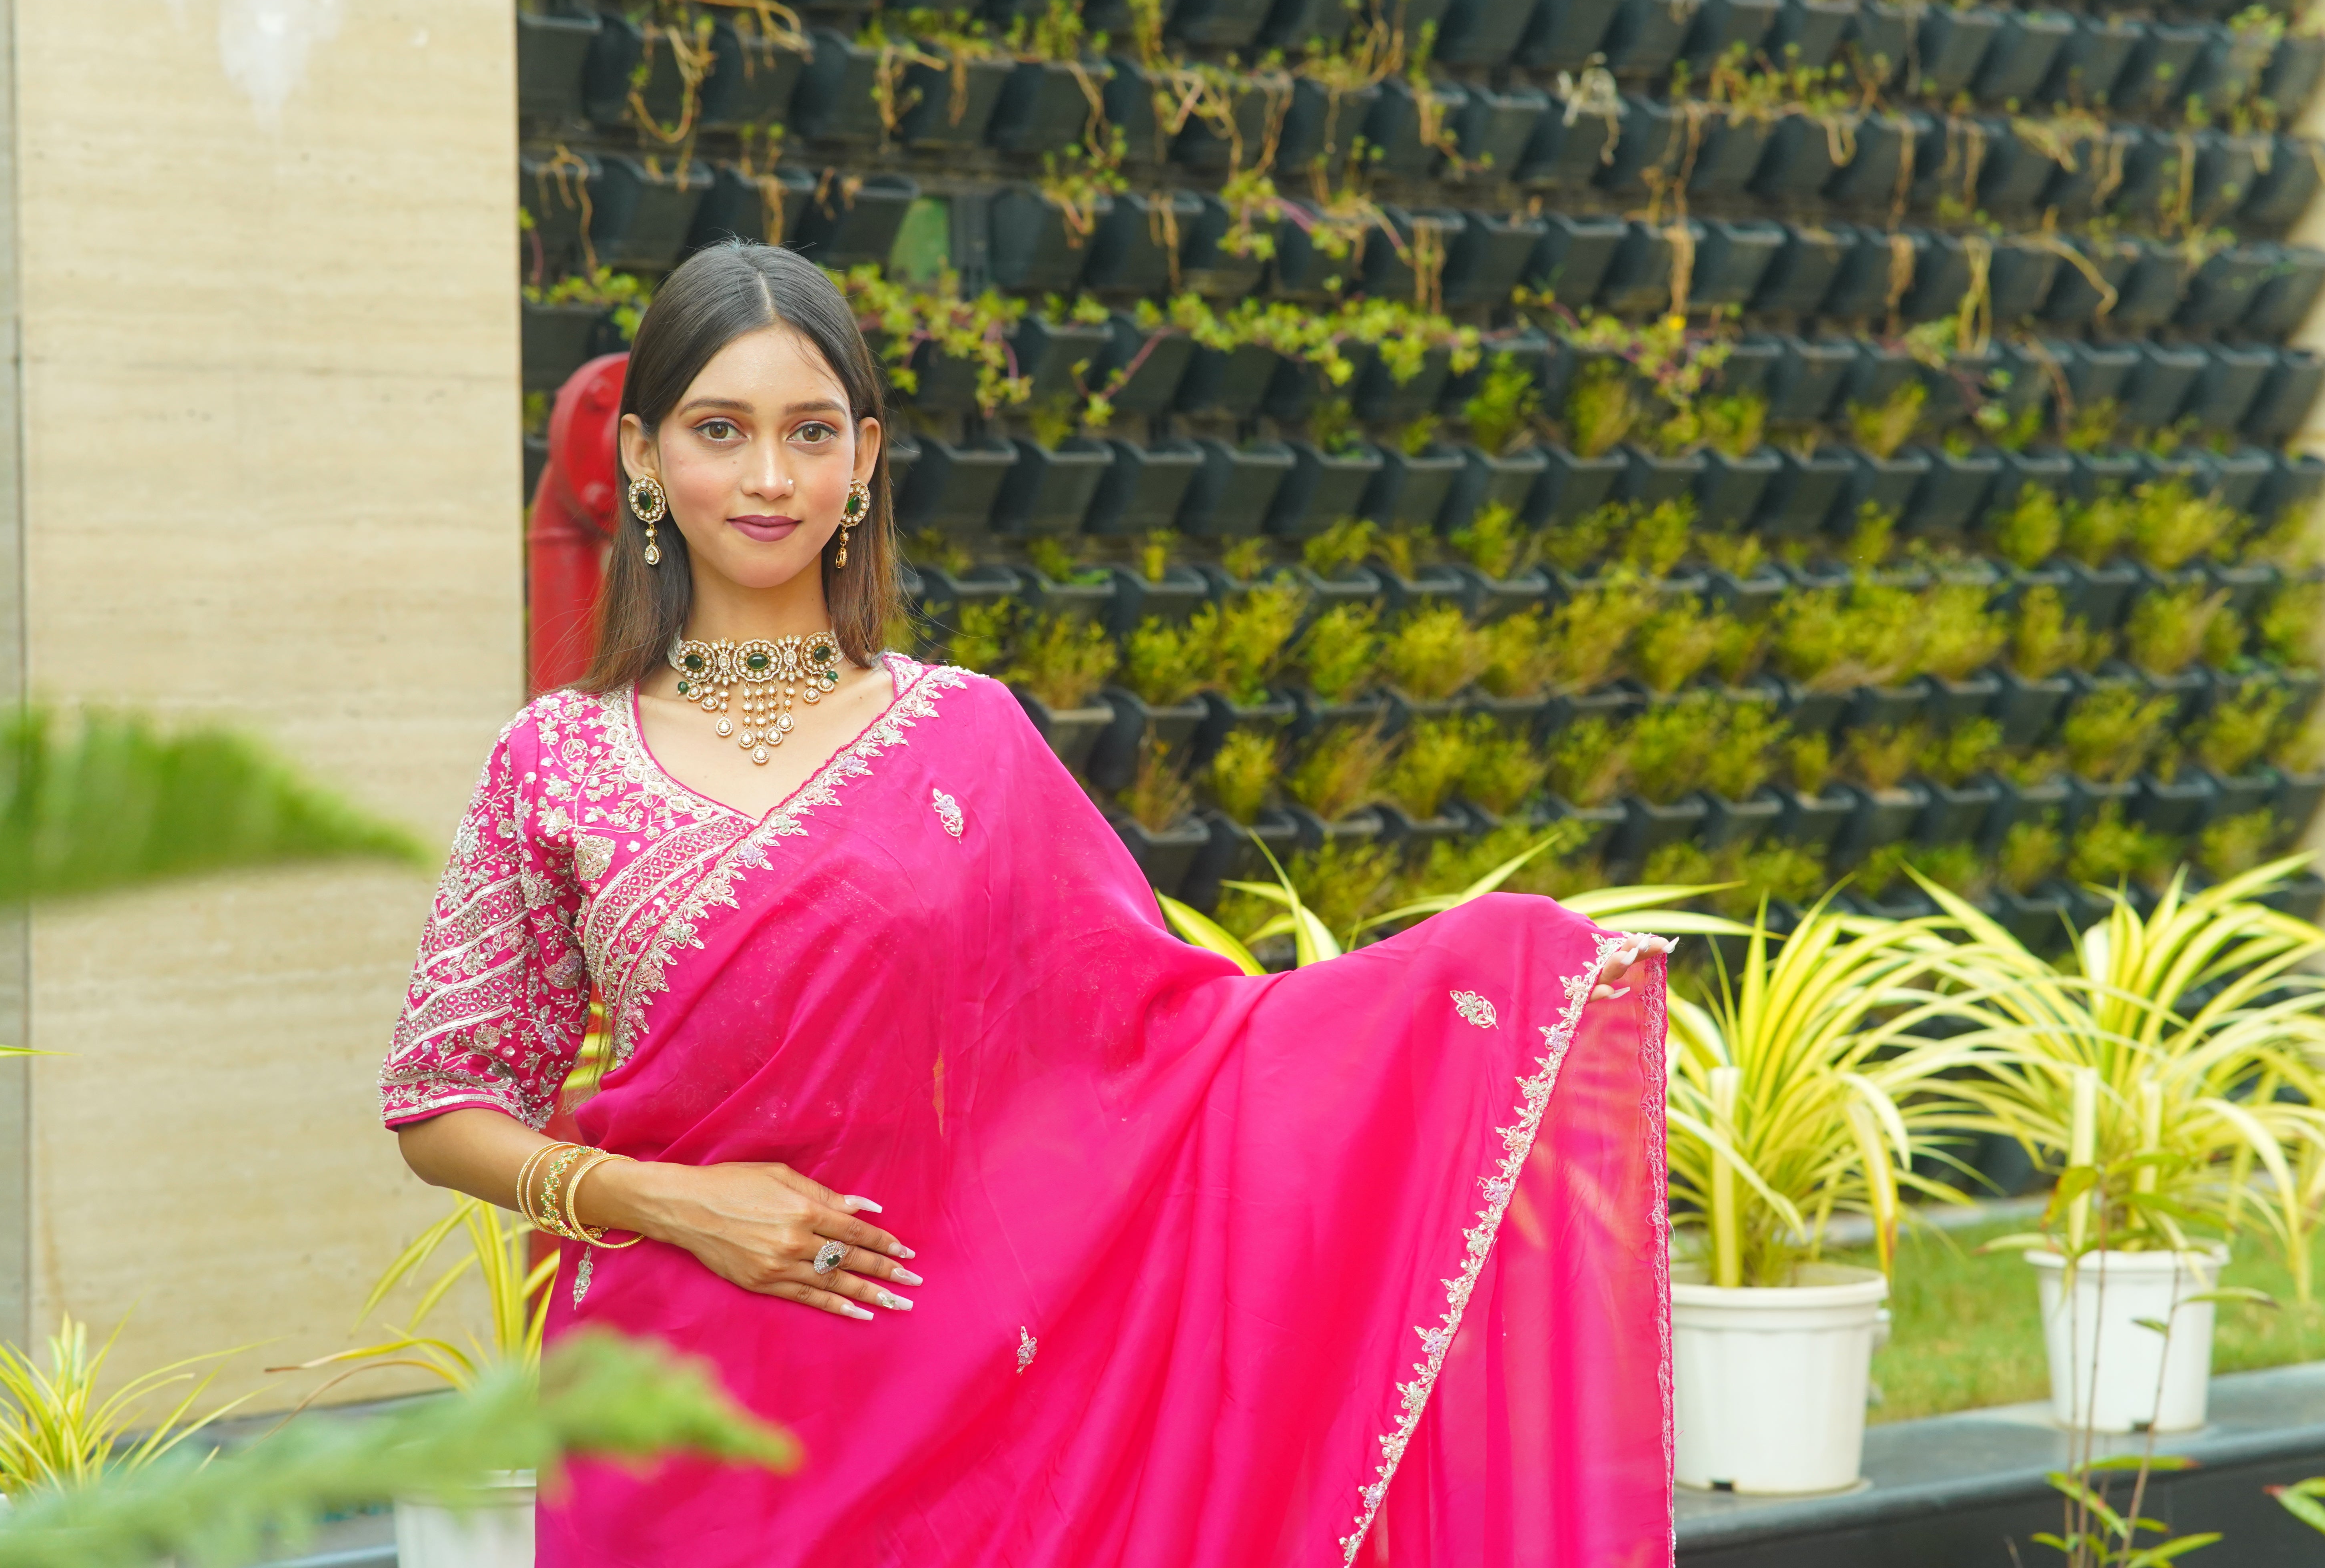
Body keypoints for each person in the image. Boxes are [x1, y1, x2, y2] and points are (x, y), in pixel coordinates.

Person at [381, 242, 1675, 1567]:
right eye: (723, 431)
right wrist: (675, 1204)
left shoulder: (970, 738)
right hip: (665, 1402)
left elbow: (1167, 1045)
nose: (770, 479)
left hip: (938, 1397)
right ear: (647, 458)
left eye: (810, 433)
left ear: (865, 457)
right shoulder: (555, 760)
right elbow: (443, 1102)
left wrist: (1495, 977)